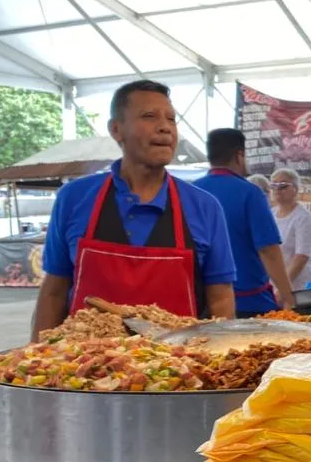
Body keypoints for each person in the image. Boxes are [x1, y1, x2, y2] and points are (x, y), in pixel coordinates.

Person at [32, 80, 236, 340]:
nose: (165, 127)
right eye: (149, 116)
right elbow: (54, 291)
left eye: (171, 119)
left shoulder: (204, 207)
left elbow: (220, 297)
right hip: (83, 368)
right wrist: (35, 353)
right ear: (116, 129)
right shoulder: (74, 198)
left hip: (178, 369)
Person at [194, 129, 295, 316]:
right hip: (249, 304)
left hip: (201, 304)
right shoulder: (250, 193)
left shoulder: (191, 191)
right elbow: (268, 250)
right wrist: (288, 295)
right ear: (239, 156)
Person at [270, 168, 311, 291]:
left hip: (298, 286)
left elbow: (301, 256)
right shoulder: (270, 214)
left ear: (295, 189)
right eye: (274, 185)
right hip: (274, 284)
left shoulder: (304, 217)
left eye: (283, 186)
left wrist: (283, 287)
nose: (277, 190)